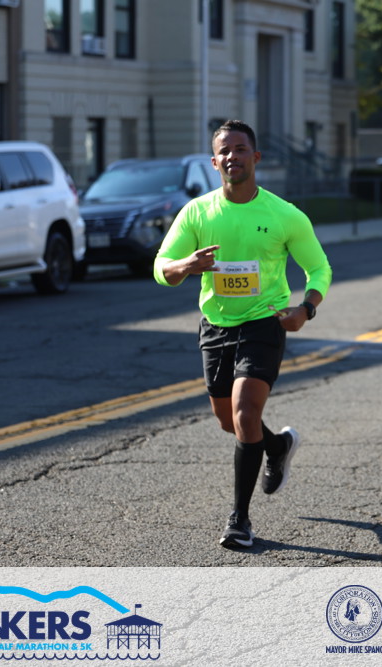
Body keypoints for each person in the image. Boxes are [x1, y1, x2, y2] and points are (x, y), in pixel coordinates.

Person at [153, 119, 332, 549]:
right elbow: (161, 268)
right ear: (214, 162)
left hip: (264, 321)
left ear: (256, 157)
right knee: (228, 421)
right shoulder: (197, 213)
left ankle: (239, 520)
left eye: (240, 149)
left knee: (245, 413)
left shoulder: (284, 215)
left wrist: (305, 309)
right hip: (216, 325)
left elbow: (319, 269)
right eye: (225, 151)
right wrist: (187, 266)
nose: (233, 156)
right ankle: (277, 446)